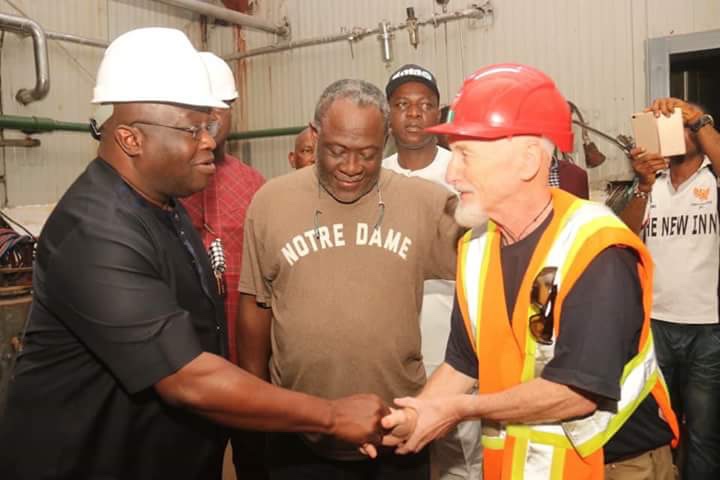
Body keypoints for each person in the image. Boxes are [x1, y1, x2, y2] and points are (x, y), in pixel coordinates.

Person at [0, 28, 386, 480]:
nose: (209, 141)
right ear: (130, 139)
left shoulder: (163, 204)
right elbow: (186, 378)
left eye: (210, 126)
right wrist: (331, 416)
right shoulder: (94, 230)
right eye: (193, 129)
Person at [380, 63, 679, 480]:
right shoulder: (475, 247)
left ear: (527, 161)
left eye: (466, 155)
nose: (450, 173)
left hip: (615, 465)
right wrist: (417, 414)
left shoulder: (597, 249)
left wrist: (460, 409)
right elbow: (463, 362)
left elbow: (577, 393)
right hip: (529, 463)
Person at [237, 78, 461, 480]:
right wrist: (256, 409)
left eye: (368, 154)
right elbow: (255, 306)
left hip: (396, 431)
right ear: (315, 134)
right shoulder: (272, 202)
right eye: (337, 151)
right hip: (296, 430)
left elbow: (489, 273)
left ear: (386, 140)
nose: (352, 167)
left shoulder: (423, 202)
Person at [382, 63, 482, 480]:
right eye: (402, 104)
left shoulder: (461, 171)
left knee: (461, 448)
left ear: (439, 113)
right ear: (388, 113)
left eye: (424, 105)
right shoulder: (375, 175)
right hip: (393, 334)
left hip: (451, 329)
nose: (413, 113)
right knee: (399, 437)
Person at [618, 96, 720, 480]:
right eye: (672, 126)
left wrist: (698, 119)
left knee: (704, 432)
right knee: (659, 425)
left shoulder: (712, 179)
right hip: (656, 324)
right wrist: (644, 185)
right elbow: (625, 237)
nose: (679, 131)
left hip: (708, 328)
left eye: (685, 125)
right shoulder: (653, 184)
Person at [179, 52, 268, 480]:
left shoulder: (255, 185)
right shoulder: (167, 183)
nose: (212, 117)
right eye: (201, 107)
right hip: (185, 360)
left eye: (220, 107)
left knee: (256, 461)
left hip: (248, 358)